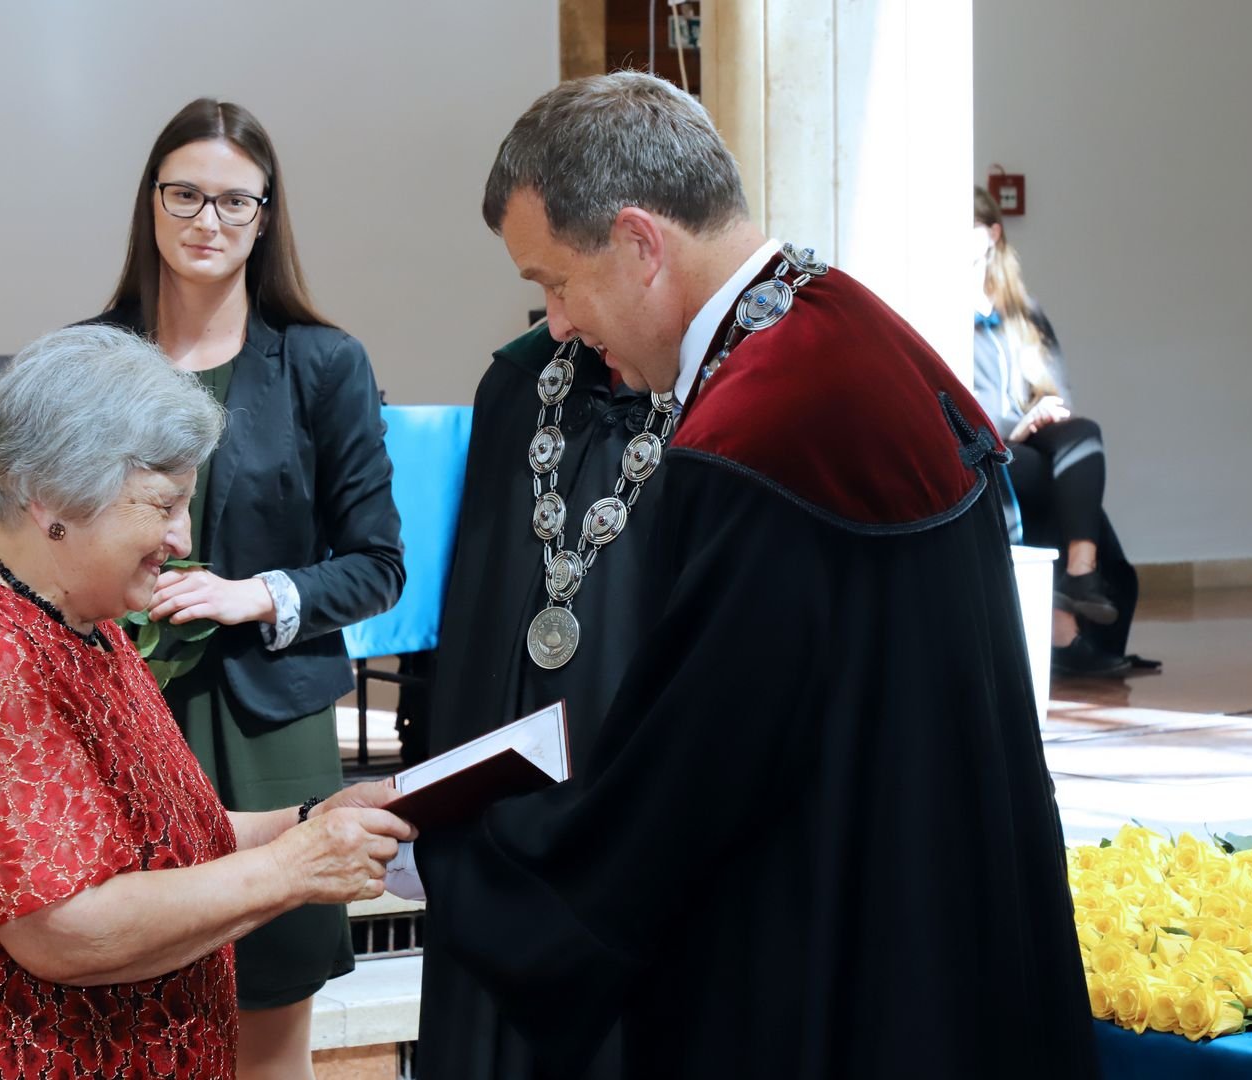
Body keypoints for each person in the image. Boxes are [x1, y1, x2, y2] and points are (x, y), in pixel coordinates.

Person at [386, 73, 1099, 1078]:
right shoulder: (859, 330)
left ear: (640, 244)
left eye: (556, 282)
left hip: (828, 955)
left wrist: (455, 863)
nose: (556, 322)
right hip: (935, 900)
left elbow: (690, 777)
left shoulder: (757, 432)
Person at [0, 326, 414, 1078]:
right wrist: (292, 868)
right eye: (164, 505)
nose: (182, 537)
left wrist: (312, 820)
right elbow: (63, 928)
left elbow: (163, 837)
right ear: (55, 496)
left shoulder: (85, 623)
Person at [91, 98, 406, 1078]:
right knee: (121, 995)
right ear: (151, 202)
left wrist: (256, 594)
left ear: (266, 217)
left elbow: (378, 564)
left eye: (235, 201)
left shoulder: (322, 362)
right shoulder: (90, 359)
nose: (208, 220)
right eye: (184, 194)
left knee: (268, 1009)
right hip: (118, 704)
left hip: (270, 723)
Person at [418, 326, 661, 1080]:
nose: (554, 319)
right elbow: (478, 608)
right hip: (505, 777)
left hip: (631, 783)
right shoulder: (519, 383)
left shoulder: (733, 398)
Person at [971, 186, 1149, 677]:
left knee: (1082, 434)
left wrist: (1045, 412)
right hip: (984, 444)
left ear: (992, 235)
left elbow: (1056, 384)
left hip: (1033, 438)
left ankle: (1079, 575)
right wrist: (1016, 427)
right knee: (1057, 479)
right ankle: (1065, 630)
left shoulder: (1023, 309)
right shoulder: (940, 309)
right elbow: (953, 398)